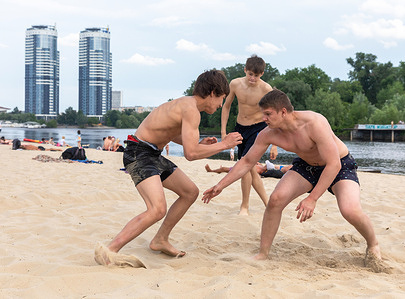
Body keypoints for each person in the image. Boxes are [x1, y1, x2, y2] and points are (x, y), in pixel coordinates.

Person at [203, 89, 382, 265]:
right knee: (275, 199)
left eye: (268, 114)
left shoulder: (314, 123)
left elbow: (333, 164)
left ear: (283, 111)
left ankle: (373, 243)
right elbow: (247, 161)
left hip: (340, 165)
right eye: (262, 114)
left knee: (350, 210)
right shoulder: (268, 133)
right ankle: (263, 253)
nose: (263, 119)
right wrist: (221, 185)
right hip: (306, 166)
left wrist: (312, 198)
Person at [94, 69, 243, 268]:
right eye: (222, 99)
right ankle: (110, 250)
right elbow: (191, 155)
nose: (220, 105)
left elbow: (170, 133)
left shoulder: (186, 104)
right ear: (213, 92)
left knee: (190, 192)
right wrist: (224, 144)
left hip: (151, 154)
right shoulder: (191, 110)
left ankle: (160, 240)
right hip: (139, 153)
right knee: (157, 209)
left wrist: (202, 144)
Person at [221, 55, 277, 215]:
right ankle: (268, 204)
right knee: (250, 168)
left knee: (245, 166)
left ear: (262, 74)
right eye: (250, 74)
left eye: (256, 75)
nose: (252, 78)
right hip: (240, 128)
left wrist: (275, 144)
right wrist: (224, 132)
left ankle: (244, 206)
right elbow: (226, 107)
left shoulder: (266, 89)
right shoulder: (235, 84)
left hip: (258, 129)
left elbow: (276, 115)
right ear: (245, 70)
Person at [205, 162, 291, 178]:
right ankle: (213, 170)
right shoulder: (261, 167)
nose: (264, 165)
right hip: (243, 167)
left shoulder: (260, 171)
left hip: (241, 169)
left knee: (224, 169)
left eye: (266, 166)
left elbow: (253, 173)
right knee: (224, 169)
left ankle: (211, 171)